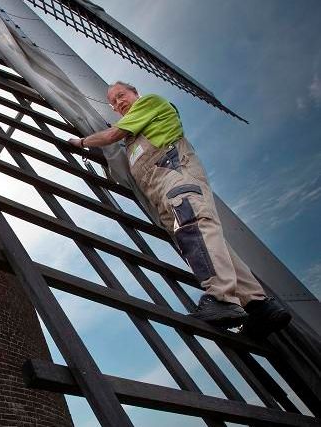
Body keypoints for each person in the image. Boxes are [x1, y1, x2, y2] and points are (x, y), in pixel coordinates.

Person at [68, 82, 290, 338]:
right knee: (207, 241)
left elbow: (109, 136)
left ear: (135, 94)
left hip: (173, 171)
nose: (118, 102)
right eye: (113, 102)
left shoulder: (148, 103)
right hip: (160, 191)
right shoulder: (131, 139)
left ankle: (221, 298)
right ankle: (258, 305)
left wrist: (82, 141)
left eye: (122, 95)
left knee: (193, 224)